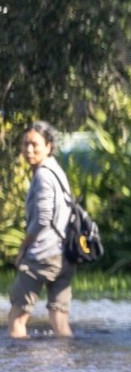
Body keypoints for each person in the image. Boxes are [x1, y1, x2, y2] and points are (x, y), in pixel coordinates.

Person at [7, 121, 74, 338]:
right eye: (25, 144)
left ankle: (23, 369)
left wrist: (24, 248)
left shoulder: (43, 175)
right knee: (59, 320)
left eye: (35, 144)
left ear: (48, 146)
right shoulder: (57, 171)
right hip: (64, 256)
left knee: (17, 318)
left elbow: (43, 218)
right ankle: (65, 367)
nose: (28, 150)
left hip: (44, 254)